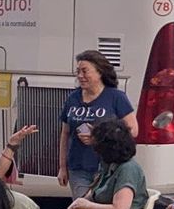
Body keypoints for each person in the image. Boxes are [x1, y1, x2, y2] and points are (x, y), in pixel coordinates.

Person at [57, 50, 137, 199]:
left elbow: (133, 130)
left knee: (103, 207)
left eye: (85, 71)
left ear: (100, 72)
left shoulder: (116, 97)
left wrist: (99, 137)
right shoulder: (73, 98)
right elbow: (65, 133)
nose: (80, 76)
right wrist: (63, 166)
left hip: (108, 166)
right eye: (78, 71)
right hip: (78, 167)